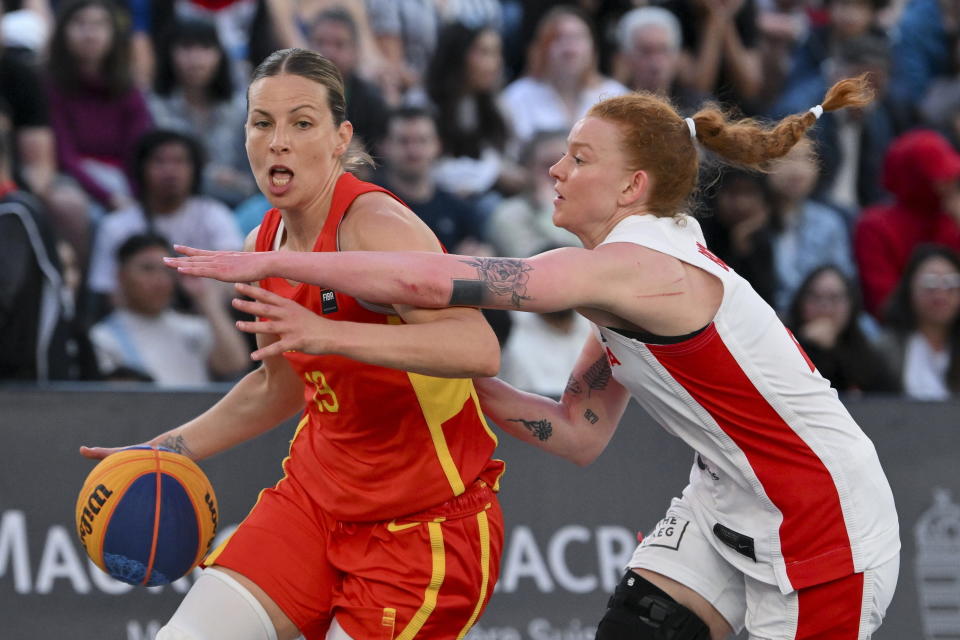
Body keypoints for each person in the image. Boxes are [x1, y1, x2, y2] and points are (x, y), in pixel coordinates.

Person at [169, 74, 901, 639]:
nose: (554, 168)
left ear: (631, 187)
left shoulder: (637, 268)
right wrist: (420, 363)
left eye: (578, 157)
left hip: (820, 518)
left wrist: (285, 274)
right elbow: (578, 433)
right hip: (730, 499)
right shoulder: (626, 280)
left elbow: (429, 278)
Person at [82, 48, 505, 640]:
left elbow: (477, 347)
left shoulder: (374, 225)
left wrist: (328, 333)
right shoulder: (264, 239)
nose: (278, 141)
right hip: (311, 506)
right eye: (263, 123)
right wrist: (165, 449)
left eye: (301, 123)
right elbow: (275, 386)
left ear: (340, 138)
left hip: (421, 529)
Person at [87, 129, 243, 309]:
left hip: (206, 317)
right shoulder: (116, 226)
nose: (170, 171)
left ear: (195, 169)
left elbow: (236, 275)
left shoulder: (214, 214)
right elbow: (107, 290)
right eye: (159, 161)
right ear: (141, 169)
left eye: (179, 161)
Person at [90, 233, 250, 385]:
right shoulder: (103, 338)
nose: (160, 280)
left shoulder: (192, 328)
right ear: (121, 276)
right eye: (147, 269)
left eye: (166, 270)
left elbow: (234, 364)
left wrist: (207, 300)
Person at [149, 17, 256, 207]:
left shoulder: (241, 107)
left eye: (205, 48)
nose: (195, 60)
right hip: (175, 203)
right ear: (169, 53)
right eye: (186, 48)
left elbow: (256, 178)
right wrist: (215, 177)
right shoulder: (155, 105)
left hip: (238, 206)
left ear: (220, 55)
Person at [853, 129, 960, 318]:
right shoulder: (875, 226)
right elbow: (883, 302)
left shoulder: (950, 218)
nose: (949, 183)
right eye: (940, 177)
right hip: (901, 332)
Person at [785, 265, 897, 394]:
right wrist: (807, 346)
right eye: (815, 297)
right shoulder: (783, 347)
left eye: (834, 298)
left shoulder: (866, 356)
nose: (825, 306)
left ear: (850, 304)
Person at [879, 244, 960, 400]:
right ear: (910, 287)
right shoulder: (886, 349)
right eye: (930, 284)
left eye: (951, 284)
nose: (940, 294)